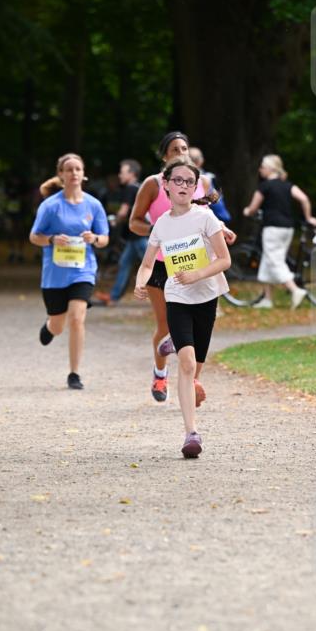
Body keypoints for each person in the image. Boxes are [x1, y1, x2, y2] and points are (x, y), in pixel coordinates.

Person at [134, 157, 231, 458]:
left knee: (197, 362)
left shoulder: (205, 218)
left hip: (207, 296)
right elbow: (148, 263)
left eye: (190, 181)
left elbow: (224, 260)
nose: (184, 186)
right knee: (187, 365)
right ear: (165, 185)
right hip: (176, 296)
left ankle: (173, 342)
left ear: (196, 187)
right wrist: (140, 282)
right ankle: (191, 433)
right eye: (178, 180)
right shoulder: (161, 225)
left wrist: (197, 275)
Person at [129, 131, 235, 404]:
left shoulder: (202, 181)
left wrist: (223, 230)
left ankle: (191, 380)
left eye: (184, 148)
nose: (180, 153)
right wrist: (160, 230)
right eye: (174, 149)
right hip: (164, 265)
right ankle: (160, 371)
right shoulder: (152, 185)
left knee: (198, 325)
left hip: (197, 262)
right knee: (165, 324)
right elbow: (133, 222)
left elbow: (205, 214)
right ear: (165, 156)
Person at [29, 152, 109, 390]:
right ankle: (50, 327)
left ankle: (74, 373)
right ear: (61, 175)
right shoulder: (50, 206)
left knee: (77, 318)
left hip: (83, 270)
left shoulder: (93, 205)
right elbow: (34, 237)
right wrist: (52, 239)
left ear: (83, 174)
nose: (74, 173)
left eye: (78, 169)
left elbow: (104, 238)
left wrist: (93, 238)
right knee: (59, 324)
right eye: (69, 169)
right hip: (54, 274)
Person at [243, 154, 316, 309]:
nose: (260, 169)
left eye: (262, 166)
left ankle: (295, 290)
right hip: (288, 228)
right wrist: (308, 217)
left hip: (272, 228)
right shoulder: (288, 185)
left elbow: (253, 208)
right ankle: (268, 300)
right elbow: (304, 199)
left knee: (274, 261)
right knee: (269, 261)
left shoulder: (265, 186)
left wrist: (247, 211)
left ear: (270, 169)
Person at [109, 159, 147, 303]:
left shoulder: (131, 188)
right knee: (124, 263)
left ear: (132, 174)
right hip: (136, 235)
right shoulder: (141, 187)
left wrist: (114, 221)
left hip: (138, 235)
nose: (119, 175)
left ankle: (170, 296)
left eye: (122, 172)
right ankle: (114, 297)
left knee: (155, 267)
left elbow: (124, 211)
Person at [189, 146, 231, 222]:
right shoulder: (208, 178)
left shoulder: (176, 179)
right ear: (201, 161)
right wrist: (225, 216)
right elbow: (217, 206)